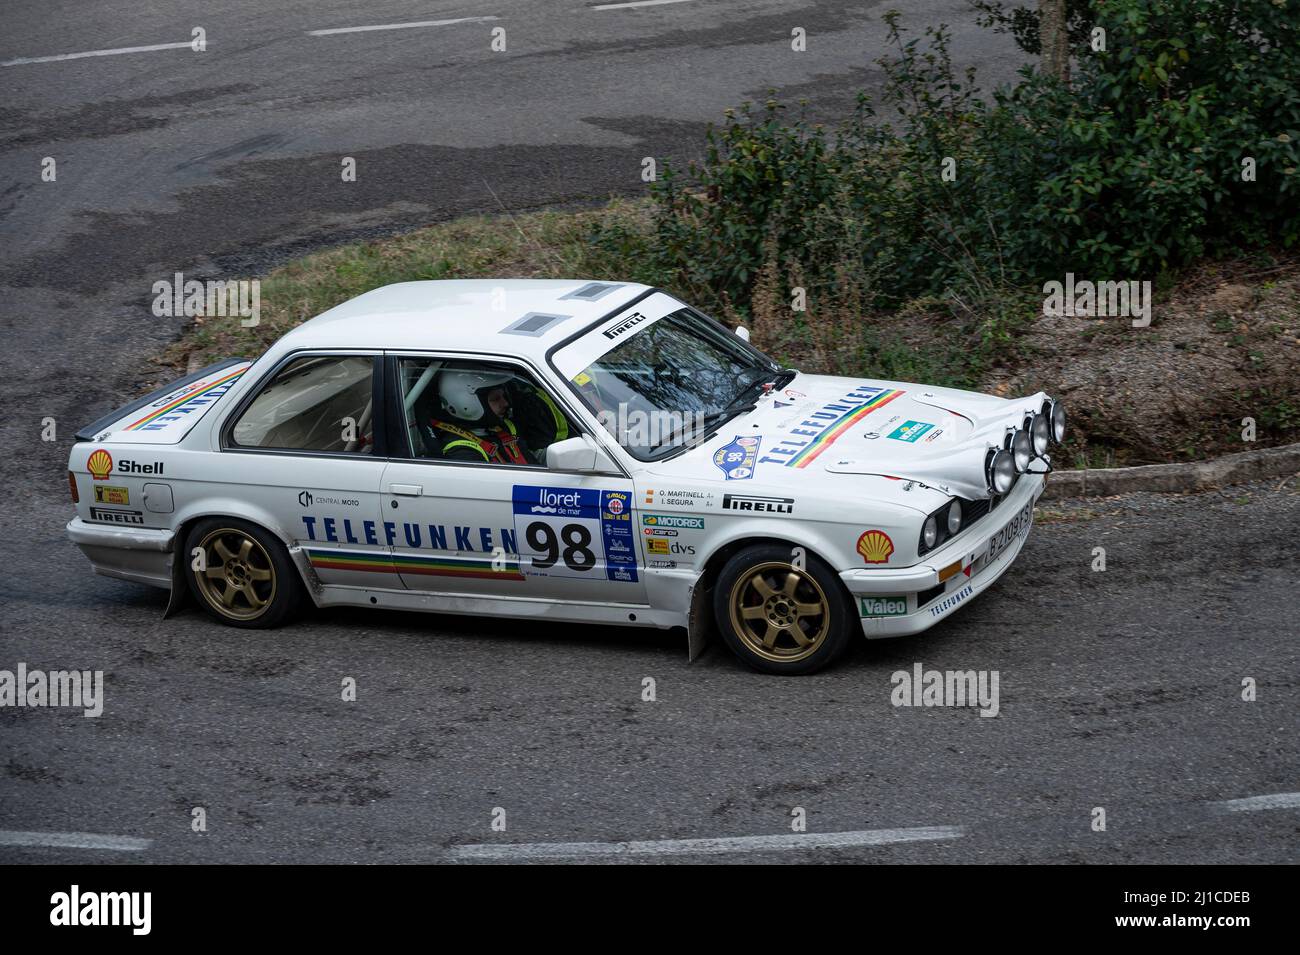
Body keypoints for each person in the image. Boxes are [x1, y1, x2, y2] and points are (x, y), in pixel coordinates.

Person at [422, 369, 531, 465]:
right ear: (465, 403)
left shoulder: (505, 427)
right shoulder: (462, 453)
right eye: (495, 399)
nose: (505, 403)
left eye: (503, 396)